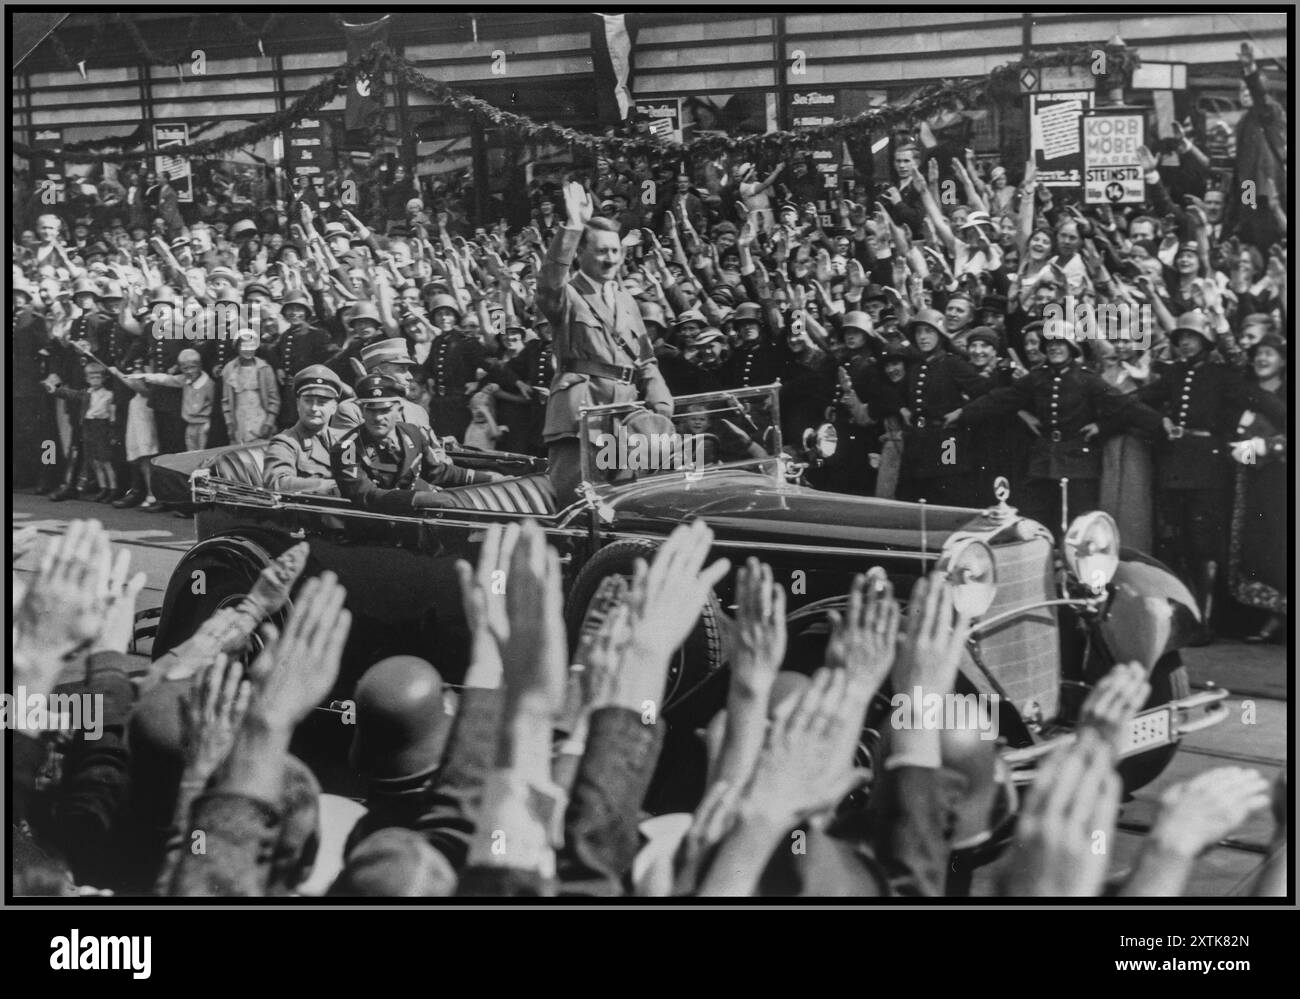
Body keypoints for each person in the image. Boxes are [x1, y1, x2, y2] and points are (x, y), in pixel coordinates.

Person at [956, 324, 1164, 536]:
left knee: (1077, 522)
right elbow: (1001, 399)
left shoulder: (1087, 378)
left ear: (1071, 348)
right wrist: (962, 414)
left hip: (1078, 460)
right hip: (1044, 458)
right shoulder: (1037, 377)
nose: (1055, 348)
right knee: (1035, 516)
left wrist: (1161, 423)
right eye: (1050, 344)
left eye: (1060, 343)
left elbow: (1124, 406)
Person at [537, 181, 673, 506]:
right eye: (600, 251)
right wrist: (572, 226)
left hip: (626, 418)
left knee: (622, 505)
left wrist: (662, 405)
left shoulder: (627, 301)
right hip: (579, 417)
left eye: (615, 251)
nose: (610, 258)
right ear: (580, 252)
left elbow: (646, 359)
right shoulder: (568, 295)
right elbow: (548, 284)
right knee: (576, 506)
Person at [330, 374, 501, 514]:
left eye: (385, 410)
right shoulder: (348, 448)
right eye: (371, 410)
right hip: (382, 526)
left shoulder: (412, 433)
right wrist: (418, 498)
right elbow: (365, 495)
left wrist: (488, 478)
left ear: (399, 410)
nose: (377, 417)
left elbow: (438, 473)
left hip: (425, 511)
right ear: (361, 411)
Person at [1228, 333, 1287, 643]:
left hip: (1284, 481)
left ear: (1284, 360)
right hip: (1251, 482)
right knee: (1257, 546)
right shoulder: (1246, 392)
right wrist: (1249, 450)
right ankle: (1266, 615)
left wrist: (1266, 446)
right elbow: (1238, 443)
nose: (1263, 359)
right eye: (1259, 353)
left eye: (1270, 353)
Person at [264, 365, 345, 496]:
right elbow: (277, 483)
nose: (313, 408)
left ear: (334, 407)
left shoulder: (345, 439)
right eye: (308, 401)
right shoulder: (285, 443)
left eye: (321, 402)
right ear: (297, 404)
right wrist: (330, 486)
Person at [221, 329, 280, 445]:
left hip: (260, 417)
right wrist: (230, 424)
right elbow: (226, 401)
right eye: (244, 346)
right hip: (239, 418)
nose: (248, 350)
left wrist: (269, 422)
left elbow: (274, 399)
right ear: (237, 347)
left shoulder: (264, 368)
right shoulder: (229, 369)